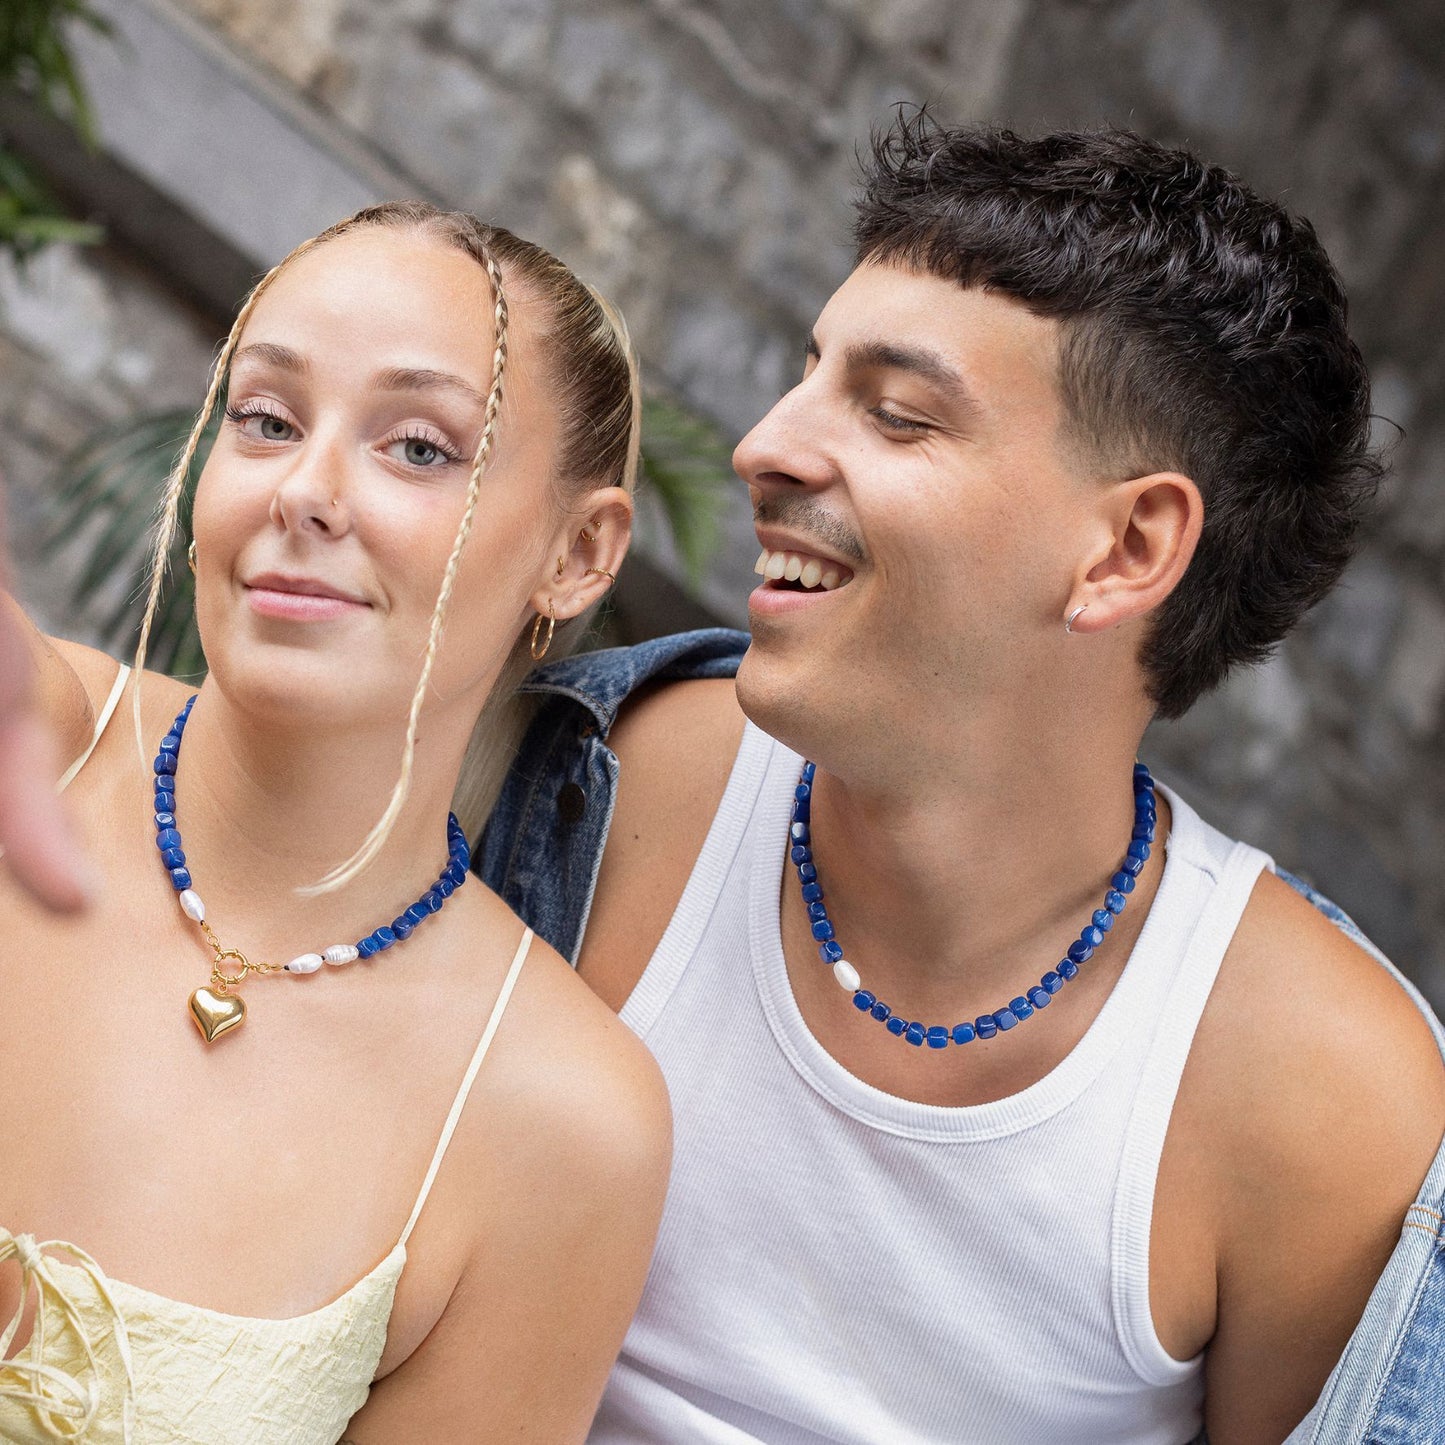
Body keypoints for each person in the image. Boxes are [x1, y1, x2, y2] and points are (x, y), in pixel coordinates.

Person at [481, 119, 1445, 1443]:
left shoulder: (1318, 1094)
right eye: (807, 375)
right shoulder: (594, 780)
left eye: (895, 413)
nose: (763, 445)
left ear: (1126, 547)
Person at [0, 201, 671, 1443]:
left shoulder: (559, 1120)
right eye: (264, 419)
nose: (307, 490)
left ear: (577, 554)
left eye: (417, 447)